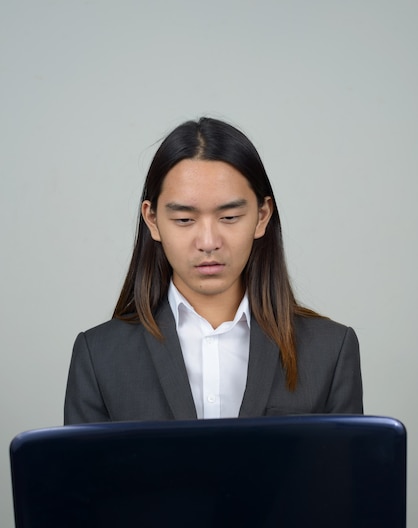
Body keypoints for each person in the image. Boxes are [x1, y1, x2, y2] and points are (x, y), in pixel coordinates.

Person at [64, 117, 362, 424]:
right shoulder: (100, 355)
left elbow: (344, 471)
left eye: (230, 217)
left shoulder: (330, 350)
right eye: (184, 220)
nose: (208, 242)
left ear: (262, 216)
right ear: (152, 220)